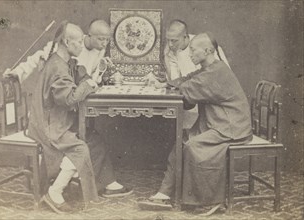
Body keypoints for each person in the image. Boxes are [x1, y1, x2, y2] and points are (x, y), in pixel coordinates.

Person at [138, 33, 252, 215]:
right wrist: (166, 84)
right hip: (217, 121)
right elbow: (188, 79)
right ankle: (163, 194)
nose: (189, 53)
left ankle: (211, 201)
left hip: (230, 126)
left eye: (192, 49)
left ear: (207, 51)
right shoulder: (209, 68)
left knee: (193, 145)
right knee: (181, 141)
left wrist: (166, 87)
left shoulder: (217, 71)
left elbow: (190, 87)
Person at [28, 21, 132, 214]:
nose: (81, 45)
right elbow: (68, 99)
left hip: (57, 120)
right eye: (78, 42)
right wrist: (91, 83)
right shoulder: (57, 67)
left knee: (93, 138)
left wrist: (97, 73)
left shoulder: (67, 62)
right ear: (67, 42)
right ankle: (54, 192)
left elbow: (81, 77)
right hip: (48, 124)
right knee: (80, 148)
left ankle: (105, 184)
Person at [163, 20, 231, 130]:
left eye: (174, 41)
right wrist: (166, 59)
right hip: (190, 96)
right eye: (168, 40)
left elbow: (222, 74)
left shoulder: (202, 44)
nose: (170, 45)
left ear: (185, 37)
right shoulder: (172, 50)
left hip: (212, 100)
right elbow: (175, 80)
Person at [4, 19, 113, 84]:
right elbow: (38, 57)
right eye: (101, 39)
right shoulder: (73, 42)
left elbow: (91, 77)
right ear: (89, 35)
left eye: (107, 40)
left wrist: (101, 68)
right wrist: (17, 72)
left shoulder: (99, 51)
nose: (104, 44)